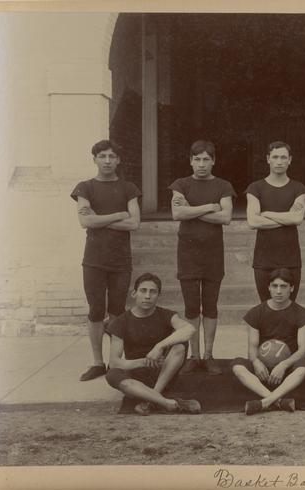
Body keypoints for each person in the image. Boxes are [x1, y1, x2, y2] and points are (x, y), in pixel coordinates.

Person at [71, 140, 141, 381]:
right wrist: (119, 214)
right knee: (96, 310)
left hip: (120, 259)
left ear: (119, 160)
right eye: (103, 156)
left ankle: (116, 361)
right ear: (94, 159)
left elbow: (134, 223)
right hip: (94, 259)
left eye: (112, 156)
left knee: (118, 311)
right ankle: (98, 362)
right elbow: (85, 222)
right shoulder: (85, 187)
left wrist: (100, 218)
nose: (108, 161)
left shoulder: (128, 188)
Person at [168, 140, 236, 376]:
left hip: (212, 253)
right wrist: (209, 207)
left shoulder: (223, 185)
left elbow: (226, 217)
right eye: (197, 159)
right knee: (190, 307)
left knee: (210, 306)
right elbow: (177, 213)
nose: (201, 164)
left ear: (214, 161)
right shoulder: (181, 184)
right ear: (190, 161)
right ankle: (193, 355)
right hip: (188, 253)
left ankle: (208, 355)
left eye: (206, 159)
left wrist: (192, 209)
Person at [106, 273, 201, 415]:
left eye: (153, 292)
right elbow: (114, 362)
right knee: (112, 375)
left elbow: (190, 329)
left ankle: (151, 400)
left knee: (180, 346)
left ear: (158, 295)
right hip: (136, 376)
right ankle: (167, 403)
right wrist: (144, 362)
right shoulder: (121, 322)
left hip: (163, 372)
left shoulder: (166, 314)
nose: (147, 296)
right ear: (134, 293)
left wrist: (159, 346)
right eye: (143, 290)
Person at [231, 268, 305, 415]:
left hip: (288, 368)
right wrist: (256, 363)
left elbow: (303, 350)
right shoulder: (256, 312)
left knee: (304, 366)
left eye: (283, 286)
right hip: (263, 369)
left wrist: (283, 365)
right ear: (269, 287)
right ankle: (279, 401)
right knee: (237, 365)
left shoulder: (302, 313)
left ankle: (264, 403)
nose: (279, 291)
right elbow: (252, 347)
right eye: (275, 286)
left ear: (292, 288)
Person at [245, 141, 305, 302]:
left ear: (290, 160)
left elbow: (297, 218)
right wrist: (286, 218)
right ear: (268, 159)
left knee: (289, 308)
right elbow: (253, 221)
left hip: (290, 257)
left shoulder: (298, 188)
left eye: (283, 157)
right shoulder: (255, 188)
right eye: (275, 157)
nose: (279, 161)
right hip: (264, 258)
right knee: (266, 307)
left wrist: (267, 214)